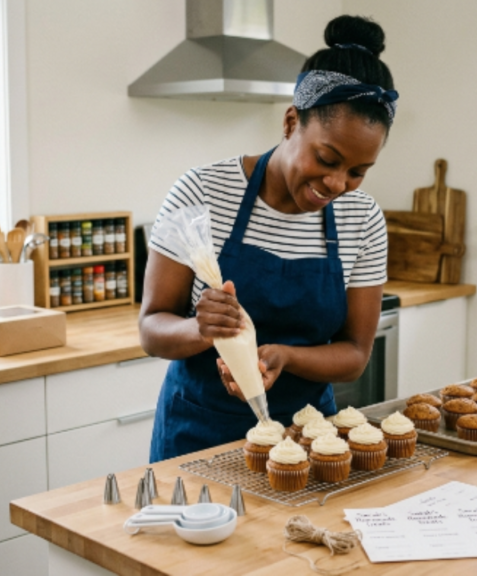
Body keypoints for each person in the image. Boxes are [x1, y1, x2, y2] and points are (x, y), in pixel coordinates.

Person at [140, 15, 398, 462]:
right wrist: (201, 328)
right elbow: (151, 328)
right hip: (200, 435)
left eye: (357, 172)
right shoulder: (202, 193)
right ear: (291, 121)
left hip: (309, 440)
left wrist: (286, 357)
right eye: (326, 158)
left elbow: (355, 354)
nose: (337, 184)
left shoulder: (363, 218)